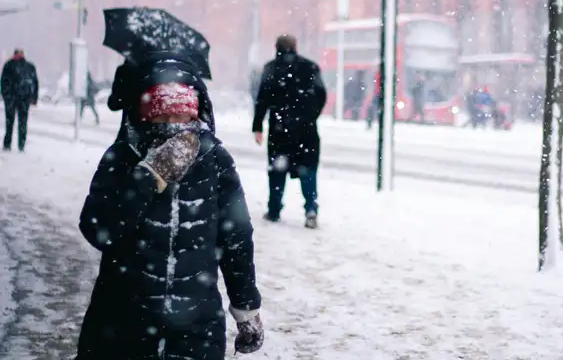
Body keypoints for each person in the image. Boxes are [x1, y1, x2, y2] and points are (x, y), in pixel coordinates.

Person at [76, 52, 264, 359]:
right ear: (144, 114)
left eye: (181, 116)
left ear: (196, 113)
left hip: (196, 328)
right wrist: (146, 178)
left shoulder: (214, 160)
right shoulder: (123, 157)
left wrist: (246, 308)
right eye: (163, 116)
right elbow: (98, 231)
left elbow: (236, 239)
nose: (173, 126)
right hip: (123, 325)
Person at [252, 34, 327, 228]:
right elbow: (321, 95)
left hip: (279, 130)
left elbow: (262, 100)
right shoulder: (310, 67)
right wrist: (310, 116)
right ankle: (310, 209)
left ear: (276, 47)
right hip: (306, 131)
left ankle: (274, 209)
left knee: (277, 171)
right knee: (308, 170)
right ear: (295, 46)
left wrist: (258, 126)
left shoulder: (271, 69)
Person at [1, 48, 38, 152]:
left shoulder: (8, 65)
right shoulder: (29, 67)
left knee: (10, 123)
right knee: (22, 123)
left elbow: (3, 82)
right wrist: (34, 97)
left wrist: (5, 96)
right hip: (23, 99)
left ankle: (8, 144)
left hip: (12, 99)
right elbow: (35, 83)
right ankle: (20, 145)